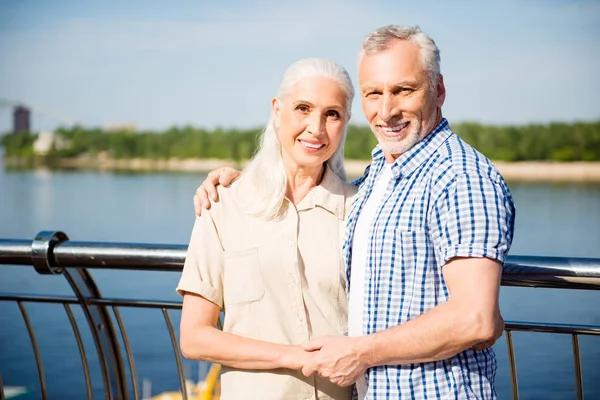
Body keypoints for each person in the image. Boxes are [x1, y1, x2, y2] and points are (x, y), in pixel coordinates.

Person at [193, 25, 515, 399]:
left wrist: (358, 353)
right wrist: (238, 182)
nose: (387, 110)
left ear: (439, 90)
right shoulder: (379, 177)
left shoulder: (460, 177)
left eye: (404, 89)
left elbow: (476, 319)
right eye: (373, 93)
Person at [176, 58, 358, 400]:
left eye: (332, 114)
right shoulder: (222, 205)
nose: (316, 128)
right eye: (302, 108)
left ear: (345, 122)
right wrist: (291, 356)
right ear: (277, 111)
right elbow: (194, 337)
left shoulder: (361, 209)